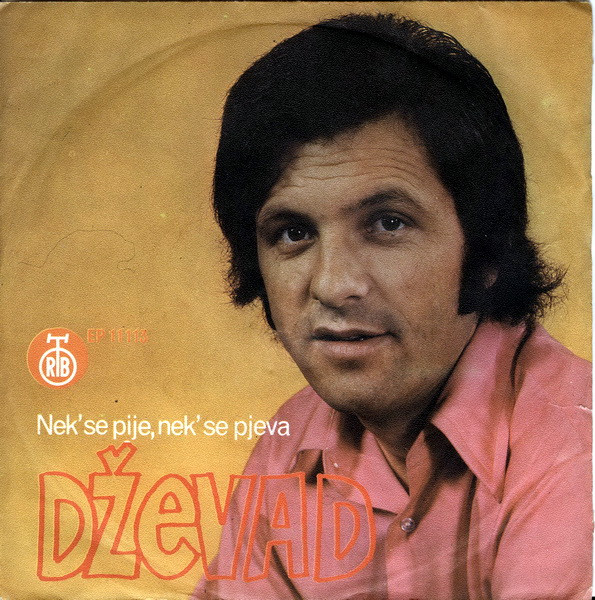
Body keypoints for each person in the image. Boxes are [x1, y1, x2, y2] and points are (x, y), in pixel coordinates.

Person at [193, 13, 592, 600]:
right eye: (293, 233)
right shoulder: (291, 442)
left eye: (387, 224)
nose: (334, 285)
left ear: (485, 250)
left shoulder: (576, 442)